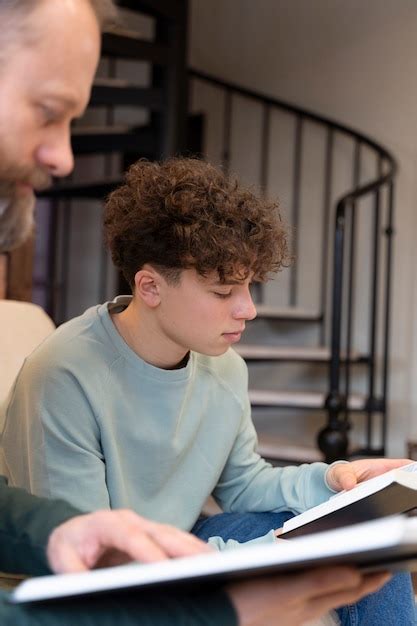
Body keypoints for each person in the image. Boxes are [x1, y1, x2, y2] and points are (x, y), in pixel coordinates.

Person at [0, 1, 393, 625]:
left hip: (178, 549)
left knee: (368, 550)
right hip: (106, 578)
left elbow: (243, 487)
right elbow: (87, 559)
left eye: (250, 285)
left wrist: (339, 478)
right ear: (150, 286)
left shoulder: (222, 366)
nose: (249, 309)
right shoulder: (65, 375)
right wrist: (249, 560)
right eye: (222, 290)